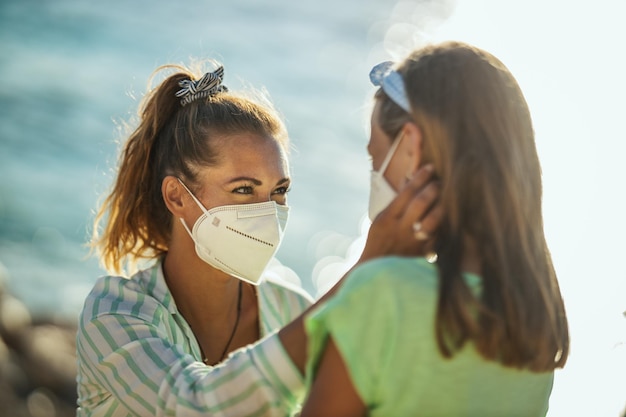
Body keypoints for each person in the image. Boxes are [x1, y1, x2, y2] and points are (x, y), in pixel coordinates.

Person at [75, 61, 440, 416]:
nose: (268, 212)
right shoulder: (114, 314)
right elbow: (195, 405)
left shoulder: (290, 308)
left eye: (279, 191)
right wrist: (365, 269)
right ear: (178, 197)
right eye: (244, 189)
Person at [300, 40, 570, 417]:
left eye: (376, 159)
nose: (375, 176)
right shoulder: (536, 317)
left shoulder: (383, 293)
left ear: (411, 147)